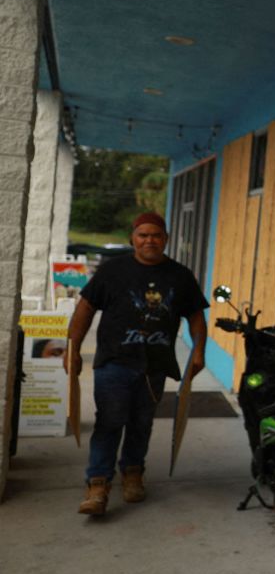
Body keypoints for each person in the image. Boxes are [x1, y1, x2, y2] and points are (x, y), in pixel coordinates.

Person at [64, 212, 209, 516]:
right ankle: (98, 484)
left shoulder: (180, 276)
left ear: (166, 239)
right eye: (143, 235)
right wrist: (72, 348)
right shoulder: (111, 271)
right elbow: (85, 309)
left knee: (141, 423)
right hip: (114, 361)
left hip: (155, 365)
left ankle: (133, 474)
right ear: (133, 239)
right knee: (110, 421)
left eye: (156, 235)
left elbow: (196, 315)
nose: (149, 241)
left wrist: (199, 351)